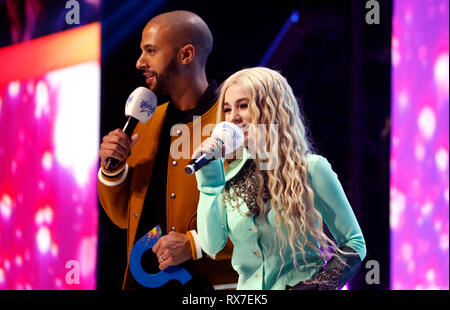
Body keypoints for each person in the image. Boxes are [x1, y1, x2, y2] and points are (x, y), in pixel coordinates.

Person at [98, 10, 237, 290]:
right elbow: (123, 217)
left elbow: (269, 219)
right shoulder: (145, 124)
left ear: (186, 55)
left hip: (213, 287)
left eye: (150, 51)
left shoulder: (235, 121)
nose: (139, 63)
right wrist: (112, 170)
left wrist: (195, 244)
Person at [193, 67, 366, 290]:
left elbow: (354, 243)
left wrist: (314, 287)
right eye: (227, 109)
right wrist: (209, 185)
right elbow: (211, 245)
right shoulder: (227, 177)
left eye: (243, 106)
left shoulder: (310, 169)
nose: (233, 117)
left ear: (270, 108)